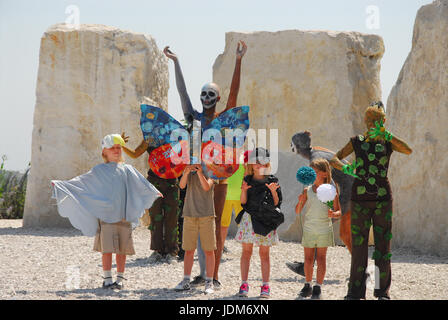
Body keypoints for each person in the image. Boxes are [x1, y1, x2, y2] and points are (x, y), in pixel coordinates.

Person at [164, 40, 247, 289]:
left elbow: (234, 94)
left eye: (212, 94)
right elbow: (181, 93)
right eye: (204, 93)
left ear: (217, 98)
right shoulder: (194, 117)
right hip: (195, 176)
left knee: (216, 226)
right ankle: (201, 274)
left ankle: (214, 275)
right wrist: (176, 63)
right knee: (196, 223)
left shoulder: (223, 118)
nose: (207, 97)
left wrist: (239, 60)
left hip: (218, 178)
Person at [51, 134, 161, 289]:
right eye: (112, 148)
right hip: (106, 217)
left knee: (122, 250)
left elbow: (141, 184)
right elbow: (81, 182)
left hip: (124, 216)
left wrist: (153, 192)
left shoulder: (127, 169)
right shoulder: (99, 170)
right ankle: (107, 279)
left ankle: (120, 279)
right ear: (105, 152)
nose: (116, 151)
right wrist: (61, 185)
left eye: (118, 148)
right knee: (107, 250)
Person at [330, 101, 412, 300]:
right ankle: (358, 292)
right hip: (362, 199)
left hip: (381, 199)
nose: (372, 122)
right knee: (363, 247)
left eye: (376, 120)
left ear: (383, 121)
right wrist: (349, 169)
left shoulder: (388, 141)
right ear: (366, 121)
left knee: (381, 247)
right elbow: (335, 158)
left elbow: (408, 150)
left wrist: (388, 135)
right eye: (370, 119)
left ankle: (380, 292)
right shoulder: (356, 141)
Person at [120, 133, 180, 264]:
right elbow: (135, 154)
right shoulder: (150, 138)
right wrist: (121, 145)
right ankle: (158, 251)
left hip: (171, 182)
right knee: (155, 217)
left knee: (172, 217)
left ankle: (172, 252)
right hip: (154, 182)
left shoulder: (175, 137)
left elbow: (184, 157)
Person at [235, 148, 283, 299]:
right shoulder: (247, 179)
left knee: (264, 254)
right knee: (246, 252)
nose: (258, 164)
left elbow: (277, 203)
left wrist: (273, 191)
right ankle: (244, 283)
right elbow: (243, 202)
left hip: (266, 220)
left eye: (261, 160)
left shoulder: (273, 180)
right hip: (249, 219)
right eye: (255, 161)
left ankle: (265, 285)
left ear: (267, 163)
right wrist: (243, 190)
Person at [295, 159, 341, 300]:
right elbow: (297, 211)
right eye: (311, 172)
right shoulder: (307, 190)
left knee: (321, 259)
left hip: (324, 229)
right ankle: (307, 285)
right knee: (308, 259)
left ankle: (318, 287)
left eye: (315, 172)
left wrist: (334, 214)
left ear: (324, 173)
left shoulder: (330, 191)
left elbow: (339, 211)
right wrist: (301, 200)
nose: (312, 175)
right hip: (309, 229)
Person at [174, 164, 217, 294]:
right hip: (189, 214)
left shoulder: (212, 171)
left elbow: (206, 187)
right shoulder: (189, 171)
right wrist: (186, 172)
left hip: (207, 215)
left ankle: (209, 281)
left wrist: (199, 173)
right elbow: (181, 186)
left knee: (209, 250)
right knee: (188, 250)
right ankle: (186, 280)